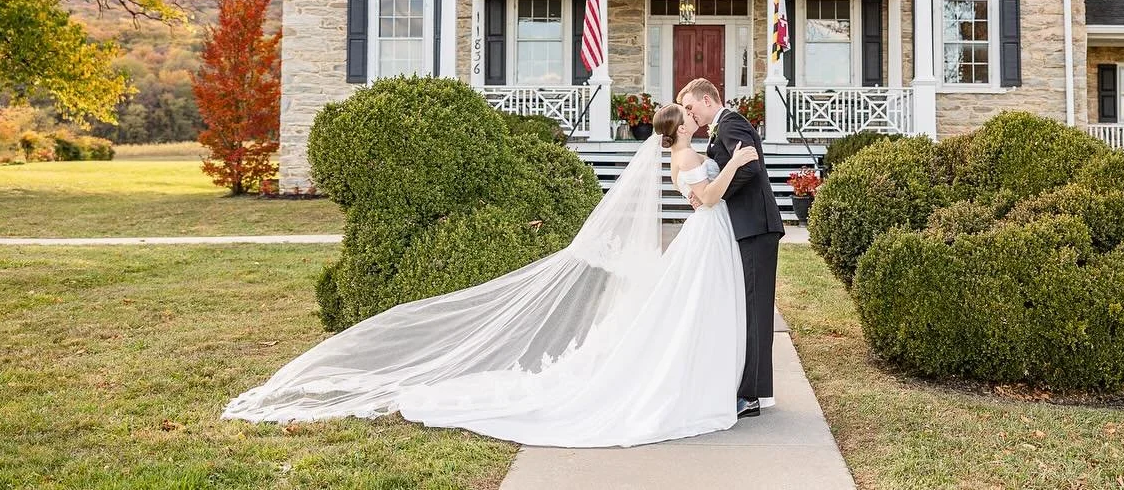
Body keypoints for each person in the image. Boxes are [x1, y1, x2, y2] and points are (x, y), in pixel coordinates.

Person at [221, 105, 760, 449]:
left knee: (691, 311)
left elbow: (701, 196)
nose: (693, 119)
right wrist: (735, 165)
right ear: (677, 130)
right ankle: (690, 387)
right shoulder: (686, 155)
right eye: (687, 117)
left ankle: (703, 381)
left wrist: (723, 166)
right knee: (689, 310)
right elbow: (707, 197)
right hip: (704, 236)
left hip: (706, 238)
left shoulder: (687, 151)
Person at [676, 77, 785, 418]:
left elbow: (749, 167)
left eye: (691, 106)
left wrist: (716, 196)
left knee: (756, 311)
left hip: (756, 225)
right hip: (745, 226)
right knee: (748, 308)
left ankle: (751, 395)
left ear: (708, 100)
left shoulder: (731, 122)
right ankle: (749, 387)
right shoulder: (718, 131)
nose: (690, 113)